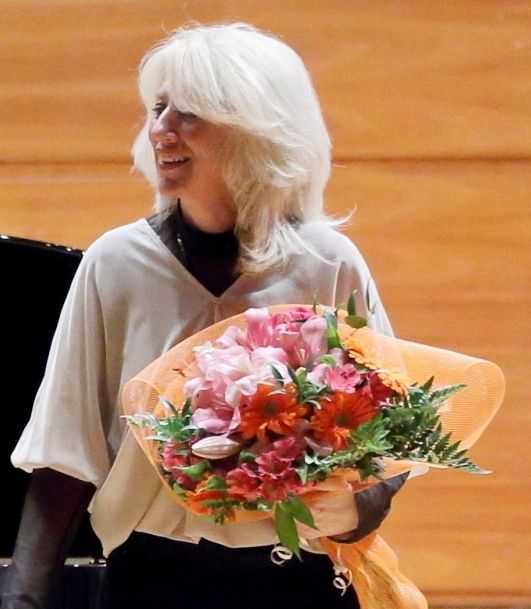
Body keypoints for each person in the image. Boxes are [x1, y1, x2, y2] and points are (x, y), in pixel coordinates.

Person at [2, 22, 407, 609]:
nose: (159, 129)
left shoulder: (329, 262)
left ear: (257, 129)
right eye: (157, 109)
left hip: (299, 578)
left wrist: (357, 511)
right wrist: (24, 599)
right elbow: (67, 450)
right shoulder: (115, 263)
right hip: (149, 580)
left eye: (188, 112)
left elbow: (391, 434)